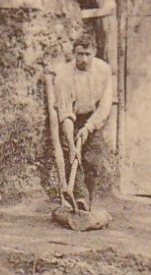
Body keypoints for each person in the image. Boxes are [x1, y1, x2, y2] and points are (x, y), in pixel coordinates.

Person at [48, 30, 114, 208]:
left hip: (94, 117)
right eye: (80, 54)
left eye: (87, 54)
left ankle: (87, 202)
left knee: (92, 158)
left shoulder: (104, 70)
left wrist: (89, 127)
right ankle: (79, 198)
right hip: (72, 117)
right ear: (73, 53)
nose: (83, 59)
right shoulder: (64, 75)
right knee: (74, 157)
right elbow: (65, 112)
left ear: (95, 52)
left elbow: (105, 105)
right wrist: (71, 143)